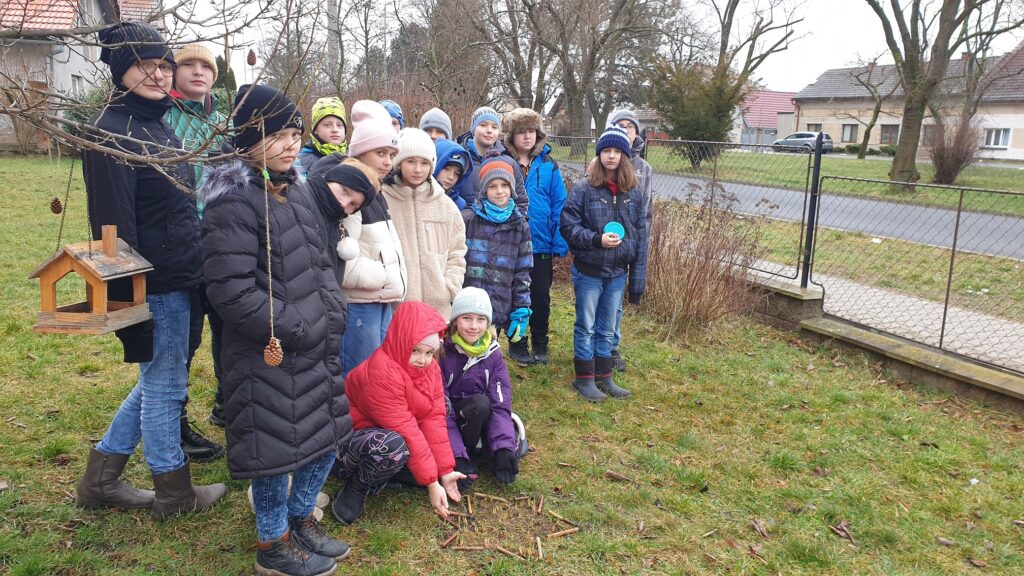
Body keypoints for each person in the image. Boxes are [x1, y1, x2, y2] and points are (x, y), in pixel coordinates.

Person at [75, 21, 226, 519]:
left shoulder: (157, 121)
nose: (158, 74)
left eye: (163, 64)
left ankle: (100, 480)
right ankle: (174, 492)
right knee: (165, 387)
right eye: (144, 64)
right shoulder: (112, 132)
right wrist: (131, 307)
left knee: (156, 381)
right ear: (121, 69)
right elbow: (113, 230)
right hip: (154, 282)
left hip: (181, 275)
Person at [201, 84, 352, 576]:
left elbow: (319, 261)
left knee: (323, 437)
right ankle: (273, 541)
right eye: (278, 135)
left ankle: (300, 518)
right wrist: (296, 325)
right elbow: (231, 291)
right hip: (270, 350)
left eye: (295, 134)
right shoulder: (232, 201)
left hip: (316, 342)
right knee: (273, 453)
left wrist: (332, 312)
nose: (291, 145)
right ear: (249, 138)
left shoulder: (297, 188)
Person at [332, 301, 466, 525]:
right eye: (415, 351)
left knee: (441, 405)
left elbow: (433, 418)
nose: (422, 359)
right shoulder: (382, 373)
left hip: (392, 428)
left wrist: (444, 470)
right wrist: (432, 483)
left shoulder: (430, 368)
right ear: (401, 342)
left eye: (429, 353)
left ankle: (399, 472)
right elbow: (406, 429)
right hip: (350, 440)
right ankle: (358, 486)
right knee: (393, 444)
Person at [164, 42, 228, 460]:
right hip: (180, 240)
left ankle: (229, 403)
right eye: (189, 65)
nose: (198, 72)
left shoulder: (223, 123)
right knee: (182, 337)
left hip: (220, 239)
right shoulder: (161, 118)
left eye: (206, 66)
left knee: (228, 327)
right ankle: (175, 420)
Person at [560, 126, 649, 402]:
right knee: (586, 324)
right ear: (599, 155)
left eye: (617, 152)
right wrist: (596, 240)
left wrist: (637, 283)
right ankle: (584, 378)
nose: (611, 156)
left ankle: (604, 375)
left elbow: (641, 236)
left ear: (625, 156)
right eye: (606, 151)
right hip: (589, 271)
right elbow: (568, 226)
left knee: (607, 327)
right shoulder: (584, 189)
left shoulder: (633, 192)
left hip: (618, 273)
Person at [338, 101, 406, 377]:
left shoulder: (376, 192)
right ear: (360, 152)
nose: (388, 162)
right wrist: (386, 276)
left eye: (392, 154)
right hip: (358, 306)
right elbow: (343, 258)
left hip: (379, 301)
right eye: (380, 153)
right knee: (358, 376)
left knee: (377, 376)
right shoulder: (350, 192)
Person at [500, 107, 568, 365]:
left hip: (540, 243)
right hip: (511, 243)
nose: (527, 136)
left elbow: (559, 203)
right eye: (521, 132)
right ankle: (517, 341)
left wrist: (559, 239)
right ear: (511, 136)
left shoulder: (548, 164)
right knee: (514, 294)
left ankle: (540, 341)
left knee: (540, 296)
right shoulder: (504, 162)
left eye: (531, 131)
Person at [440, 288, 521, 489]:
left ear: (488, 323)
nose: (474, 326)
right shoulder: (441, 351)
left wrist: (503, 449)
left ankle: (490, 447)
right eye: (466, 318)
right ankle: (464, 453)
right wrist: (457, 456)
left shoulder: (493, 354)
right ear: (455, 320)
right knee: (478, 404)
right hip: (448, 420)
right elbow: (440, 408)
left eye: (481, 319)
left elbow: (500, 402)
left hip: (478, 418)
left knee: (484, 405)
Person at [382, 128, 467, 319]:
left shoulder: (446, 207)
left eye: (424, 163)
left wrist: (449, 288)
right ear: (399, 162)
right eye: (411, 161)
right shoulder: (382, 201)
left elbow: (456, 253)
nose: (418, 169)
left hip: (437, 312)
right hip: (395, 310)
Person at [461, 157, 533, 342]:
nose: (499, 191)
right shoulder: (468, 220)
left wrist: (521, 308)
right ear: (484, 190)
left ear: (512, 189)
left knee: (487, 351)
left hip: (498, 305)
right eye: (493, 186)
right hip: (466, 305)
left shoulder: (520, 227)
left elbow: (523, 272)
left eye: (504, 185)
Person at [608, 109, 654, 372]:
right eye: (620, 125)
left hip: (628, 243)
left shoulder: (644, 169)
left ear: (637, 133)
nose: (626, 129)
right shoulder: (603, 162)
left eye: (630, 126)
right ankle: (593, 347)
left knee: (616, 301)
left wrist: (639, 245)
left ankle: (612, 347)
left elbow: (646, 211)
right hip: (604, 243)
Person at [454, 106, 529, 214]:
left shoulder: (509, 162)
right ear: (473, 129)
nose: (489, 130)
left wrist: (515, 222)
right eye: (483, 125)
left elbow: (521, 202)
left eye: (494, 127)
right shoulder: (458, 158)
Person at [297, 96, 348, 177]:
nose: (335, 130)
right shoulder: (300, 162)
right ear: (315, 130)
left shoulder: (353, 159)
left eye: (339, 125)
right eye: (327, 125)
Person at [433, 137, 472, 210]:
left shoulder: (459, 205)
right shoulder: (415, 195)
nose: (451, 177)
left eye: (457, 173)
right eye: (446, 169)